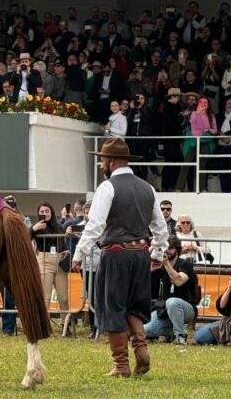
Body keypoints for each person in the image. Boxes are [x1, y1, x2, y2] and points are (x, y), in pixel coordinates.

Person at [72, 138, 168, 378]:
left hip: (116, 254)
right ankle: (141, 348)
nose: (102, 164)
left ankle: (121, 364)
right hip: (141, 255)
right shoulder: (148, 188)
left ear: (111, 161)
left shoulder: (107, 187)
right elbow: (160, 226)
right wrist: (157, 252)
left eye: (103, 160)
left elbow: (95, 225)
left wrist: (79, 253)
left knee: (113, 307)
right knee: (134, 306)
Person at [143, 236, 199, 345]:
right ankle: (171, 332)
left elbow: (179, 281)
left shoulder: (185, 264)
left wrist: (166, 263)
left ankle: (180, 336)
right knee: (145, 330)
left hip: (187, 308)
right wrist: (150, 260)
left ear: (177, 249)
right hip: (165, 310)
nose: (167, 251)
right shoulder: (160, 266)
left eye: (171, 248)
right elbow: (149, 288)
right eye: (165, 248)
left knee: (172, 302)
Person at [30, 202, 69, 312]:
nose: (45, 213)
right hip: (44, 261)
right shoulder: (36, 226)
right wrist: (33, 229)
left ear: (51, 212)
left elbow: (62, 242)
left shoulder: (59, 227)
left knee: (64, 298)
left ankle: (65, 325)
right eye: (42, 212)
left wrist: (65, 250)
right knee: (45, 298)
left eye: (47, 211)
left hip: (59, 263)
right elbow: (26, 237)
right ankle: (44, 327)